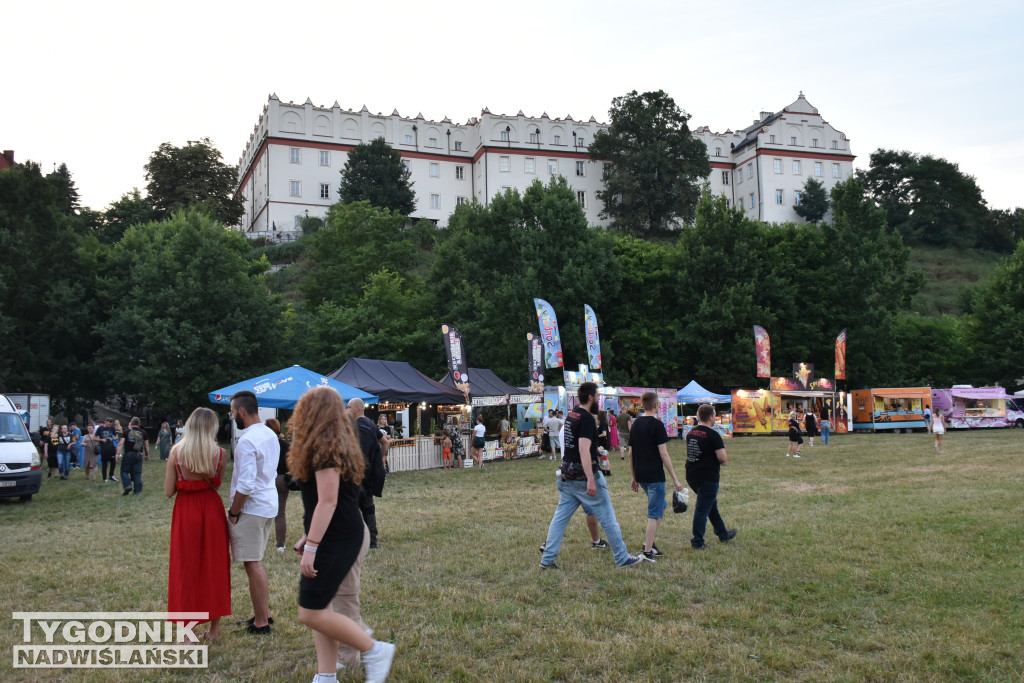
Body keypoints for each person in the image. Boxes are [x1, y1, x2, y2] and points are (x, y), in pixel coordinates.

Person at [290, 387, 396, 682]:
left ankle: (374, 649)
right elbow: (327, 502)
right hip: (340, 533)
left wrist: (311, 546)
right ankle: (326, 676)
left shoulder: (325, 447)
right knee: (320, 608)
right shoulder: (334, 443)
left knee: (310, 612)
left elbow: (328, 501)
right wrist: (308, 535)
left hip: (337, 539)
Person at [539, 382, 645, 569]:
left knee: (560, 519)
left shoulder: (572, 415)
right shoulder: (587, 418)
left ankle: (547, 560)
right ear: (590, 397)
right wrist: (590, 478)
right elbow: (583, 449)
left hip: (566, 474)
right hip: (583, 476)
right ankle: (622, 558)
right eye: (597, 396)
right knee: (608, 518)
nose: (598, 399)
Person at [164, 407, 231, 643]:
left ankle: (187, 634)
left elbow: (168, 491)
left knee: (185, 568)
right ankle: (214, 630)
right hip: (211, 511)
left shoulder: (177, 453)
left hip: (186, 512)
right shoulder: (221, 454)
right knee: (215, 566)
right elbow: (218, 483)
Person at [227, 390, 280, 634]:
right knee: (255, 562)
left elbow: (246, 484)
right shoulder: (269, 433)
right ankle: (264, 614)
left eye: (231, 412)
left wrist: (234, 511)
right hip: (269, 503)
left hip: (251, 507)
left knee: (253, 564)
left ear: (241, 411)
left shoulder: (246, 440)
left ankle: (261, 622)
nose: (231, 417)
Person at [629, 392, 684, 561]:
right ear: (655, 405)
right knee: (654, 513)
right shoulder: (657, 425)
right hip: (654, 475)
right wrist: (675, 478)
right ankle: (647, 551)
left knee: (661, 506)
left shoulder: (636, 424)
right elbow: (664, 455)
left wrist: (634, 477)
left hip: (641, 474)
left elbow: (631, 454)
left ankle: (650, 545)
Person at [685, 404, 736, 550]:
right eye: (714, 414)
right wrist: (724, 460)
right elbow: (721, 457)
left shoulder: (691, 433)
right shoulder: (713, 435)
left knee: (710, 505)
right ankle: (698, 542)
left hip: (692, 475)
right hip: (707, 476)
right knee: (702, 509)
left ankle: (723, 534)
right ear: (711, 417)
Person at [348, 398, 387, 550]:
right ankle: (371, 540)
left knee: (355, 506)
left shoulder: (360, 426)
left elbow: (361, 453)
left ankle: (365, 540)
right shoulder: (370, 423)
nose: (348, 409)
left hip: (361, 473)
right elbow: (385, 442)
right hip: (371, 472)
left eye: (350, 407)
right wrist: (381, 458)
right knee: (367, 505)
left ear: (357, 408)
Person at [266, 418, 292, 553]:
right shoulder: (285, 445)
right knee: (280, 513)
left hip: (266, 479)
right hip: (282, 480)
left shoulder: (264, 444)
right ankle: (280, 545)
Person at [116, 416, 149, 495]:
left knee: (124, 471)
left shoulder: (126, 432)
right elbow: (147, 445)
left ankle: (127, 485)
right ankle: (137, 491)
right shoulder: (143, 432)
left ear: (131, 423)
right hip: (138, 455)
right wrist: (147, 455)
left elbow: (120, 444)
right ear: (139, 424)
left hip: (128, 454)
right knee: (137, 473)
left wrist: (117, 454)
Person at [97, 418, 119, 482]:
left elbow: (116, 436)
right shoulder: (100, 428)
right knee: (105, 463)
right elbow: (94, 438)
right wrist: (101, 440)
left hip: (111, 447)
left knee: (113, 462)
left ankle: (111, 475)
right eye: (108, 424)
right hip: (103, 448)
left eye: (110, 425)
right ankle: (105, 478)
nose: (109, 426)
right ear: (105, 422)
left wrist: (113, 439)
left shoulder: (112, 428)